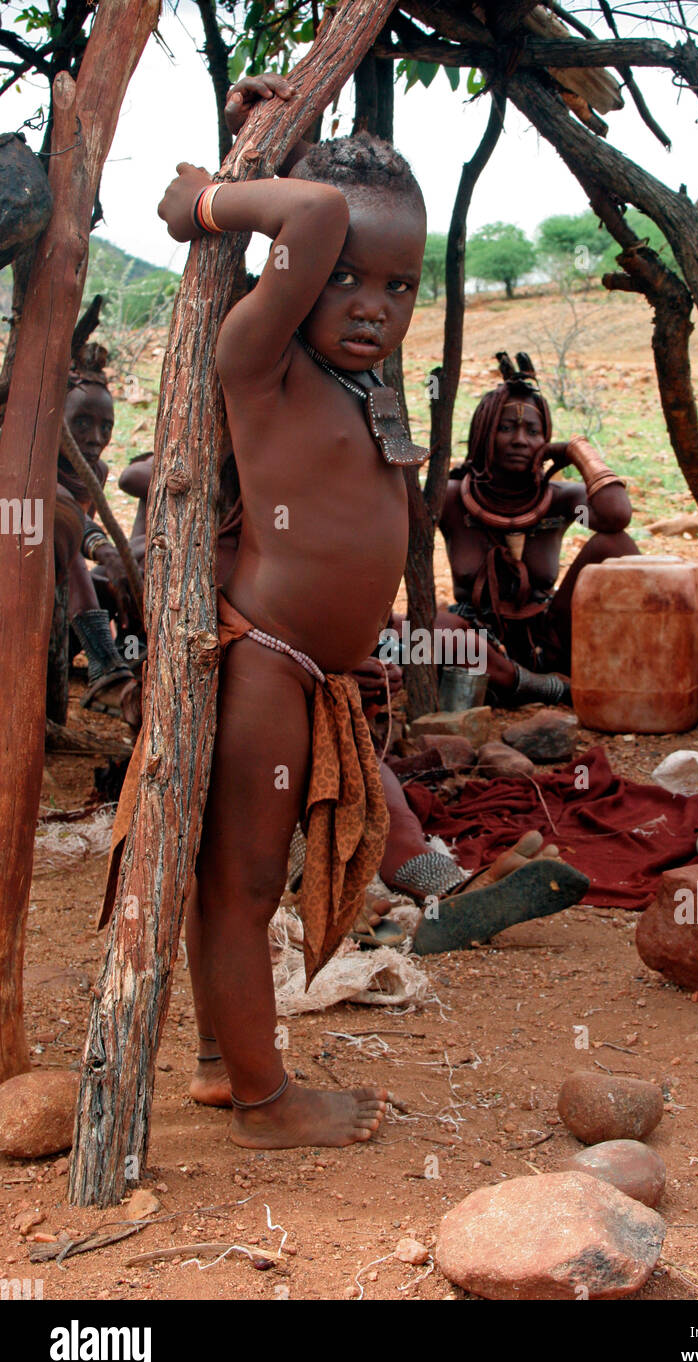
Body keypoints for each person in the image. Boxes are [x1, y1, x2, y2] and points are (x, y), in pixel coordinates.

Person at [151, 120, 437, 1150]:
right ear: (292, 270)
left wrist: (275, 145)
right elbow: (310, 214)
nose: (372, 306)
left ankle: (226, 1064)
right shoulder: (257, 355)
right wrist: (210, 199)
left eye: (399, 286)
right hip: (262, 660)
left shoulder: (358, 383)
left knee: (233, 879)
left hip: (305, 670)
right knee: (238, 885)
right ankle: (266, 1107)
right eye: (345, 278)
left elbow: (317, 218)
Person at [438, 354, 638, 705]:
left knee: (615, 546)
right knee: (437, 631)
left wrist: (578, 451)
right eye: (505, 428)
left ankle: (548, 677)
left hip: (550, 642)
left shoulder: (561, 500)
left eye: (533, 431)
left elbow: (616, 517)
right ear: (483, 433)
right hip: (480, 645)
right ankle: (543, 688)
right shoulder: (453, 498)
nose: (520, 440)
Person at [53, 350, 140, 726]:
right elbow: (66, 517)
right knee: (73, 547)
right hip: (19, 595)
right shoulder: (28, 460)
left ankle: (130, 656)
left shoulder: (96, 470)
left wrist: (116, 566)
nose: (95, 439)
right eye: (82, 423)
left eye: (106, 427)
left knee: (120, 580)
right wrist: (105, 551)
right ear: (57, 421)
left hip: (58, 603)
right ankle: (105, 666)